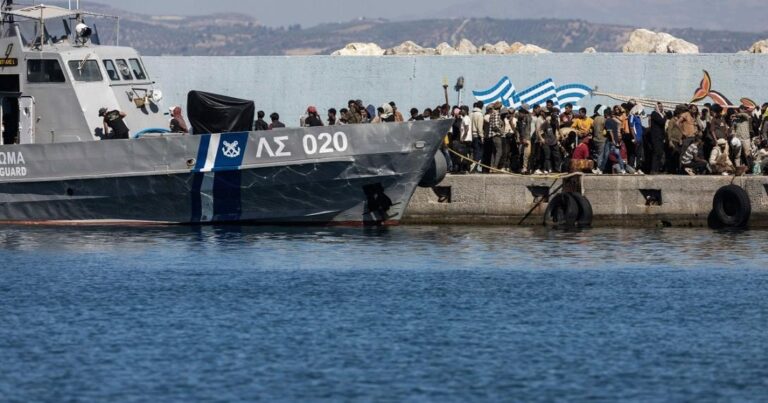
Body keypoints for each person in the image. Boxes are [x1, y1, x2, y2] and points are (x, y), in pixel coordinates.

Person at [648, 102, 667, 174]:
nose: (661, 108)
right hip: (656, 137)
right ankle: (653, 169)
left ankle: (657, 169)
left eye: (662, 106)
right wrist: (664, 116)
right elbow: (662, 121)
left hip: (660, 137)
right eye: (659, 107)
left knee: (660, 153)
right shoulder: (654, 114)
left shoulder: (661, 115)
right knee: (656, 152)